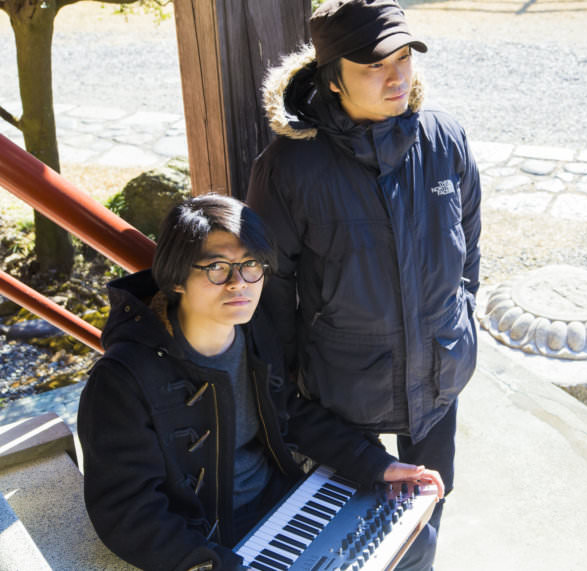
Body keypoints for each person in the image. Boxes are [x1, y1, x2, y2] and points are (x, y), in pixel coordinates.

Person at [77, 194, 443, 571]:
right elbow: (127, 511)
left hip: (282, 503)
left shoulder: (251, 327)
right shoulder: (122, 379)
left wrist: (375, 464)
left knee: (417, 541)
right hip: (207, 536)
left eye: (251, 264)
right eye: (217, 267)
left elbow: (289, 411)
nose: (239, 284)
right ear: (176, 278)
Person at [246, 0, 482, 547]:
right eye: (374, 65)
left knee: (428, 511)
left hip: (440, 372)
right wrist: (286, 398)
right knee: (354, 530)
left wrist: (461, 317)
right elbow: (271, 290)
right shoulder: (289, 167)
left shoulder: (445, 140)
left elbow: (468, 244)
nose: (396, 75)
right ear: (333, 79)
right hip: (344, 386)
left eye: (403, 56)